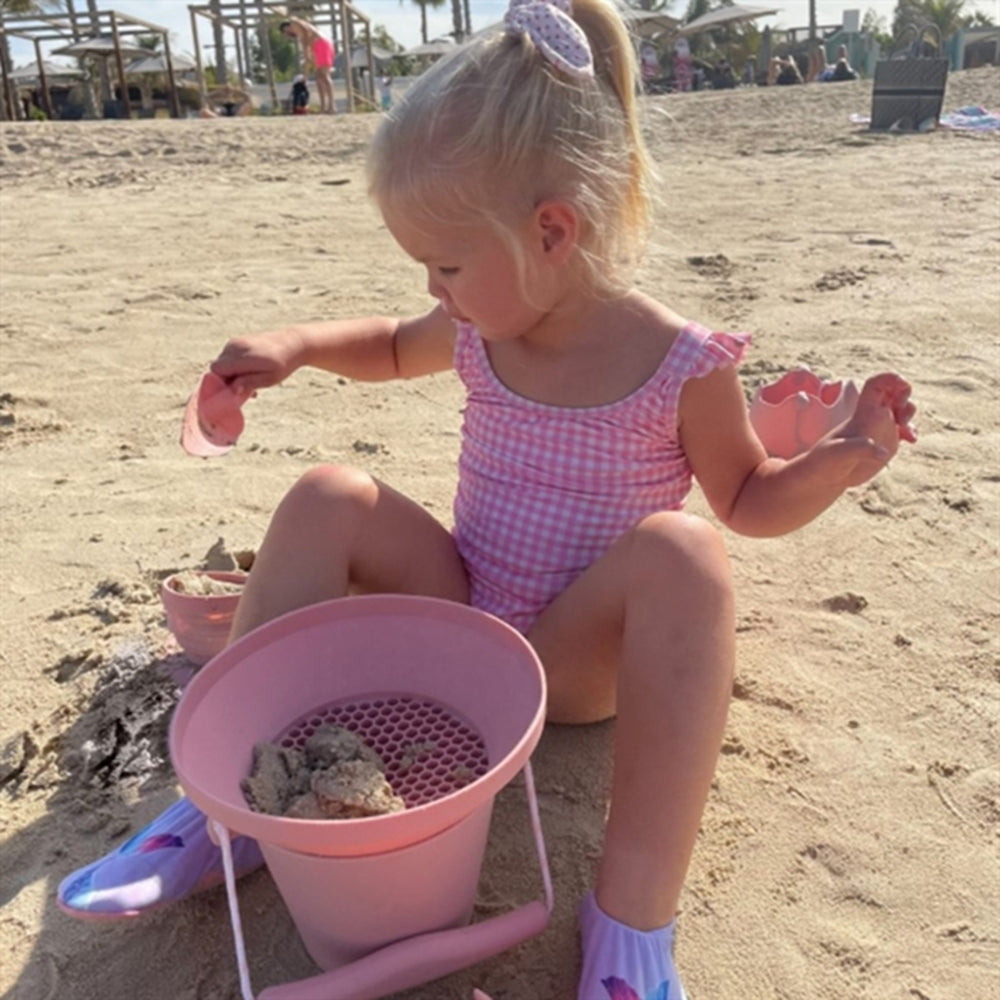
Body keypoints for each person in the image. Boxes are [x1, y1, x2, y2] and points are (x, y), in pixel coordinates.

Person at [57, 1, 916, 996]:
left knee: (683, 554)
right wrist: (296, 346)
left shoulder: (683, 364)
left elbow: (751, 499)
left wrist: (840, 460)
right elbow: (390, 344)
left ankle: (631, 926)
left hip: (570, 660)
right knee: (329, 493)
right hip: (461, 614)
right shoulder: (482, 325)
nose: (435, 289)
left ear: (550, 231)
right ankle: (235, 803)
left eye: (448, 264)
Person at [280, 16, 335, 114]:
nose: (288, 35)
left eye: (286, 32)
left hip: (322, 44)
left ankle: (331, 106)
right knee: (319, 78)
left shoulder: (294, 23)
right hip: (318, 47)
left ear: (286, 28)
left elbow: (303, 28)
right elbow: (307, 60)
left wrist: (306, 49)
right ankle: (323, 107)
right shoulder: (302, 38)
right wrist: (305, 77)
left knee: (325, 75)